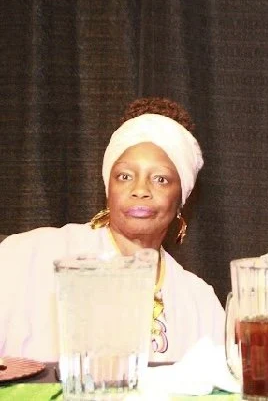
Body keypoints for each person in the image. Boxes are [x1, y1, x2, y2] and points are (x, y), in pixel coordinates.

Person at [0, 97, 225, 362]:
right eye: (125, 176)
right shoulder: (29, 255)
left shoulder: (199, 302)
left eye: (160, 179)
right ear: (109, 189)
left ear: (181, 199)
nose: (140, 190)